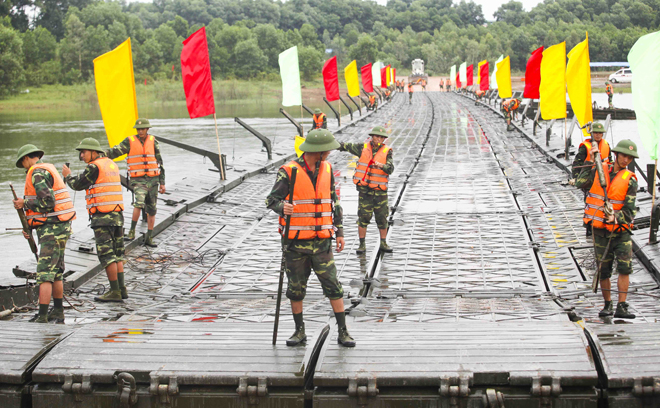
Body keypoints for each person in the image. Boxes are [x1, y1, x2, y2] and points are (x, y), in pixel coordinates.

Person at [265, 129, 355, 348]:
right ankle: (299, 331)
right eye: (328, 150)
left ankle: (343, 331)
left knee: (334, 286)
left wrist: (340, 232)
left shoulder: (327, 169)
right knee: (296, 288)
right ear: (319, 152)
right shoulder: (288, 172)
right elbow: (271, 200)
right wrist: (281, 207)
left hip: (322, 242)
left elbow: (335, 204)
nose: (330, 154)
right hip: (295, 244)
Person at [576, 139, 639, 319]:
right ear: (617, 154)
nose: (626, 160)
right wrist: (591, 159)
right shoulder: (599, 168)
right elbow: (581, 182)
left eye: (629, 157)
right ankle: (607, 304)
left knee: (625, 268)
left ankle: (622, 306)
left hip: (621, 231)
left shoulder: (630, 181)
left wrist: (616, 217)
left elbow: (630, 211)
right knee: (603, 269)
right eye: (623, 155)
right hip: (601, 231)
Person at [14, 145, 76, 323]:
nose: (24, 167)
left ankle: (42, 316)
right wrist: (31, 227)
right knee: (56, 272)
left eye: (23, 163)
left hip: (52, 229)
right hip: (60, 226)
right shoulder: (49, 168)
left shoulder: (37, 173)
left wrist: (24, 203)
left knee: (44, 273)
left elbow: (48, 202)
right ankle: (57, 312)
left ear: (26, 159)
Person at [63, 138, 127, 302]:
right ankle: (122, 289)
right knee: (118, 254)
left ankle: (114, 292)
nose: (82, 156)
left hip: (102, 217)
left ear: (93, 152)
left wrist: (67, 176)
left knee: (107, 255)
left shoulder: (94, 167)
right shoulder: (110, 164)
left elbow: (78, 184)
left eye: (83, 152)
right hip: (117, 215)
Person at [105, 118, 165, 247]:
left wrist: (162, 183)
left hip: (153, 181)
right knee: (138, 203)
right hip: (138, 181)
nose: (140, 131)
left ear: (147, 129)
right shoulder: (129, 141)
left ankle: (149, 237)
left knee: (152, 209)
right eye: (138, 129)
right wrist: (100, 155)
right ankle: (132, 231)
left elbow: (160, 162)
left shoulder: (154, 142)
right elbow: (116, 151)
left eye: (143, 129)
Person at [338, 126, 394, 254]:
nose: (378, 139)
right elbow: (345, 146)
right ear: (372, 137)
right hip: (365, 191)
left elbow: (390, 169)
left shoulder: (387, 151)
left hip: (380, 192)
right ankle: (362, 244)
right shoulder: (362, 148)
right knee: (363, 217)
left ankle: (383, 242)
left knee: (382, 217)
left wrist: (382, 166)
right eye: (376, 136)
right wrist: (330, 143)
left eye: (381, 137)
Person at [570, 122, 612, 236]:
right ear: (591, 133)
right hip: (589, 178)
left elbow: (610, 162)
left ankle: (602, 224)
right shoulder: (585, 146)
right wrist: (575, 177)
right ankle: (589, 227)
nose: (598, 135)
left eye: (600, 133)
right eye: (596, 133)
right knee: (590, 202)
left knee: (604, 201)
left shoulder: (606, 145)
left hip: (603, 177)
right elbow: (577, 163)